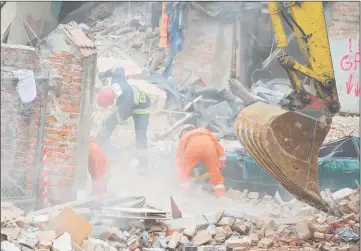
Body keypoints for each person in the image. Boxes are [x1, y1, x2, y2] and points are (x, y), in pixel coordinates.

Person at [96, 67, 151, 169]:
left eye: (108, 105)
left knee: (140, 135)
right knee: (110, 120)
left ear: (112, 99)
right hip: (128, 103)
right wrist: (106, 73)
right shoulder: (115, 84)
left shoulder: (125, 103)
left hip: (142, 108)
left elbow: (121, 118)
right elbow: (120, 71)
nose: (109, 107)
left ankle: (143, 164)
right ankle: (101, 141)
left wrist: (108, 121)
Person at [176, 124, 227, 197]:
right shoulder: (205, 131)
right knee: (216, 174)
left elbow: (179, 157)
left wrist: (180, 170)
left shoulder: (184, 137)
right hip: (209, 149)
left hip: (192, 150)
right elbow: (220, 149)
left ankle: (184, 195)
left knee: (184, 173)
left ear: (183, 132)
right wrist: (221, 164)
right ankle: (221, 196)